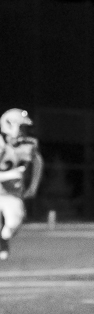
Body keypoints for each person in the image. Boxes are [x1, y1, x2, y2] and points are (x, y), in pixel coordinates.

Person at [0, 109, 44, 261]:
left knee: (15, 221)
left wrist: (33, 186)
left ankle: (3, 239)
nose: (25, 131)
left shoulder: (28, 144)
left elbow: (38, 162)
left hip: (12, 189)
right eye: (22, 127)